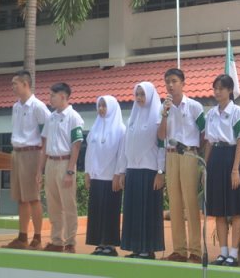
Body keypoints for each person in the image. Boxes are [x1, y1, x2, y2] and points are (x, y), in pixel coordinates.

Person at [157, 68, 205, 263]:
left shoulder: (194, 106)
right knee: (174, 203)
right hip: (170, 156)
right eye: (167, 81)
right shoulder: (164, 107)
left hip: (188, 154)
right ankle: (179, 250)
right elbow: (160, 136)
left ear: (183, 83)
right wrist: (165, 114)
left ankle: (195, 251)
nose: (170, 85)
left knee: (190, 202)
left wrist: (198, 153)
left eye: (174, 81)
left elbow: (205, 132)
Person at [116, 81, 165, 259]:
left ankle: (148, 249)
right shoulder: (132, 118)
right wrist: (122, 171)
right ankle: (136, 247)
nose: (139, 98)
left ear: (150, 95)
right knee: (133, 211)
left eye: (142, 94)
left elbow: (162, 146)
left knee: (147, 211)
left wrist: (161, 171)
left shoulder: (158, 116)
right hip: (133, 170)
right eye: (137, 94)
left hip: (150, 170)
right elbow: (125, 146)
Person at [2, 70, 50, 250]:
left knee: (33, 197)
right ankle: (22, 237)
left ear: (25, 84)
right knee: (21, 197)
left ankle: (37, 237)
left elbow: (48, 130)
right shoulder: (16, 106)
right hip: (17, 152)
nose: (12, 87)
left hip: (32, 152)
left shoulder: (37, 106)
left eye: (15, 83)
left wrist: (41, 160)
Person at [204, 75, 240, 267]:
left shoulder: (237, 111)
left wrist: (235, 169)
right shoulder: (211, 113)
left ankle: (234, 254)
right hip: (215, 160)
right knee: (218, 210)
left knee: (235, 209)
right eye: (215, 88)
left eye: (221, 88)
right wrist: (205, 167)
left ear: (230, 90)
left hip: (231, 158)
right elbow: (209, 142)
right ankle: (222, 253)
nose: (217, 92)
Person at [41, 82, 84, 253]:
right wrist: (40, 170)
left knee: (68, 205)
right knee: (53, 205)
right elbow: (44, 145)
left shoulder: (74, 117)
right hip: (50, 163)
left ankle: (70, 241)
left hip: (65, 162)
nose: (50, 98)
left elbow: (76, 145)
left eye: (52, 95)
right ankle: (57, 241)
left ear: (63, 96)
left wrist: (70, 170)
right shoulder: (51, 117)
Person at [84, 95, 126, 256]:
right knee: (96, 210)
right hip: (96, 176)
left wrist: (118, 173)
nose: (101, 109)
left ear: (112, 107)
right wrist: (88, 172)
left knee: (110, 211)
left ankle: (110, 244)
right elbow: (89, 152)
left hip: (111, 177)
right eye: (99, 106)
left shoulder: (120, 129)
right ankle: (100, 243)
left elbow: (122, 154)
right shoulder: (95, 127)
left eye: (104, 106)